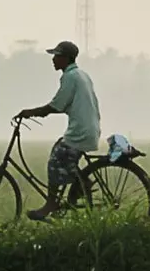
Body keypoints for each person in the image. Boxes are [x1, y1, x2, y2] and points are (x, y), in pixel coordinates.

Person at [14, 40, 101, 221]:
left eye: (57, 56)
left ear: (66, 58)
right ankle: (80, 181)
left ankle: (52, 203)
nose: (53, 60)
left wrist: (30, 113)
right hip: (88, 129)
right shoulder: (81, 74)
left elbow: (57, 105)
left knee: (55, 159)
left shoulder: (70, 77)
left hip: (80, 132)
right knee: (62, 154)